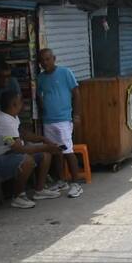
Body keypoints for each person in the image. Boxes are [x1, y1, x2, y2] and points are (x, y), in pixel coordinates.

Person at [0, 89, 62, 208]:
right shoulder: (4, 120)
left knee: (46, 154)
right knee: (27, 161)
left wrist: (43, 140)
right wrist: (45, 146)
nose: (23, 104)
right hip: (3, 159)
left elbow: (24, 134)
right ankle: (17, 196)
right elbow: (20, 149)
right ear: (14, 104)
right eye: (21, 101)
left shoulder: (12, 116)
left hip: (13, 153)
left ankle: (40, 190)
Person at [37, 48, 83, 199]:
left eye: (48, 59)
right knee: (56, 151)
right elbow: (40, 95)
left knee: (67, 150)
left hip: (63, 119)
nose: (45, 63)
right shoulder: (41, 78)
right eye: (42, 60)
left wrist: (76, 115)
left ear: (54, 58)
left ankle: (76, 184)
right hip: (48, 120)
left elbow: (76, 93)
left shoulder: (65, 73)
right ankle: (61, 180)